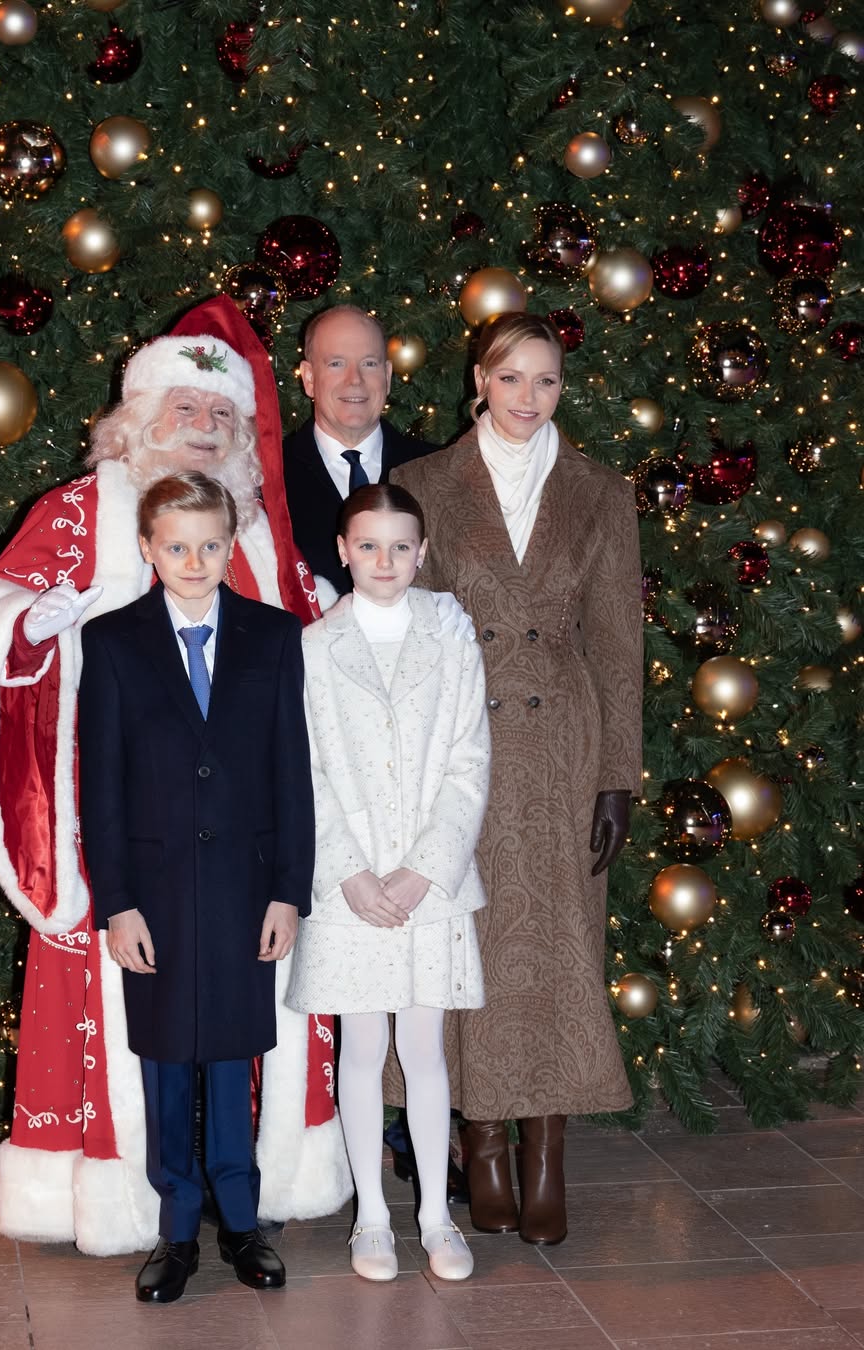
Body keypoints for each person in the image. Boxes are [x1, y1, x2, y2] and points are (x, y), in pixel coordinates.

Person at [0, 297, 351, 1257]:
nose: (205, 431)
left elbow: (307, 675)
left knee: (245, 1021)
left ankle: (245, 1196)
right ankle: (138, 1200)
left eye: (222, 416)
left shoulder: (255, 532)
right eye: (185, 411)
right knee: (140, 1034)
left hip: (246, 849)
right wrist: (31, 627)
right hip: (124, 834)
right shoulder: (81, 513)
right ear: (137, 421)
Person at [392, 312, 643, 1247]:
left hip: (562, 745)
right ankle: (482, 1145)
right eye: (512, 379)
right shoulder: (422, 484)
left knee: (561, 945)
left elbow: (619, 643)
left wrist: (617, 774)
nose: (528, 398)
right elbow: (404, 639)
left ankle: (548, 1154)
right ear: (480, 381)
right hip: (459, 746)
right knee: (470, 942)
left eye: (546, 380)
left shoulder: (600, 492)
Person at [77, 472, 313, 1301]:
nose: (193, 559)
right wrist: (118, 902)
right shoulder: (111, 644)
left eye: (209, 544)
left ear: (230, 544)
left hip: (248, 890)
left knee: (232, 1054)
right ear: (148, 549)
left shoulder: (274, 637)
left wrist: (290, 890)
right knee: (168, 1058)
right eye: (176, 545)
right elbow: (100, 788)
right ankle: (176, 1230)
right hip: (158, 894)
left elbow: (294, 773)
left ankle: (242, 1222)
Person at [288, 483, 491, 1282]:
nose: (384, 561)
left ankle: (437, 1217)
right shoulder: (314, 648)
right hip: (352, 889)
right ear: (342, 551)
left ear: (422, 551)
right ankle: (373, 1215)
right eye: (367, 546)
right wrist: (350, 873)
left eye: (400, 547)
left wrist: (424, 868)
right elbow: (304, 771)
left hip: (429, 883)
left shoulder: (450, 634)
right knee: (362, 1045)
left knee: (426, 1047)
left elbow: (470, 757)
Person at [283, 306, 437, 597]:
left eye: (368, 364)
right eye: (336, 364)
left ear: (388, 376)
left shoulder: (436, 468)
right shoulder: (267, 479)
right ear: (309, 378)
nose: (354, 380)